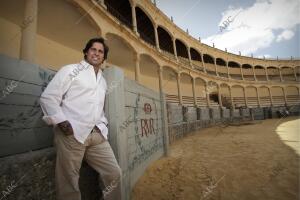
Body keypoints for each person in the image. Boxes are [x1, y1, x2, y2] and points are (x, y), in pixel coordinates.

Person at [40, 37, 122, 200]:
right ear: (86, 52)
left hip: (96, 136)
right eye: (93, 49)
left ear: (104, 57)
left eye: (101, 51)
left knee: (114, 173)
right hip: (71, 135)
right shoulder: (70, 70)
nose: (96, 53)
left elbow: (99, 109)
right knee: (68, 182)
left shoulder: (103, 82)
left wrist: (102, 124)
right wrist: (62, 122)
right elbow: (48, 97)